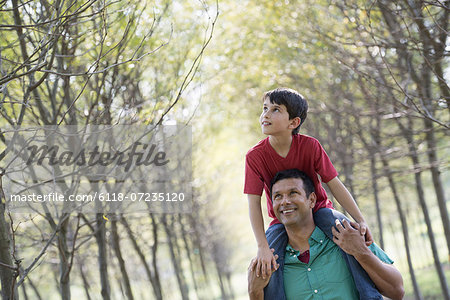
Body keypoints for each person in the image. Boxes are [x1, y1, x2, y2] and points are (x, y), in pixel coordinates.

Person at [244, 87, 380, 299]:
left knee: (348, 237)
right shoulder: (255, 157)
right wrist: (262, 246)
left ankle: (370, 295)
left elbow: (334, 184)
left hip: (320, 210)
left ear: (293, 122)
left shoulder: (310, 146)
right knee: (267, 262)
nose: (266, 115)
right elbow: (253, 203)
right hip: (282, 220)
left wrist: (360, 220)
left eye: (275, 109)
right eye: (265, 108)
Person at [247, 169, 404, 300]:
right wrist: (254, 293)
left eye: (293, 193)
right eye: (277, 196)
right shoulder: (270, 263)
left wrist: (361, 252)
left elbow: (397, 290)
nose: (284, 202)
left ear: (312, 200)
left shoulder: (346, 236)